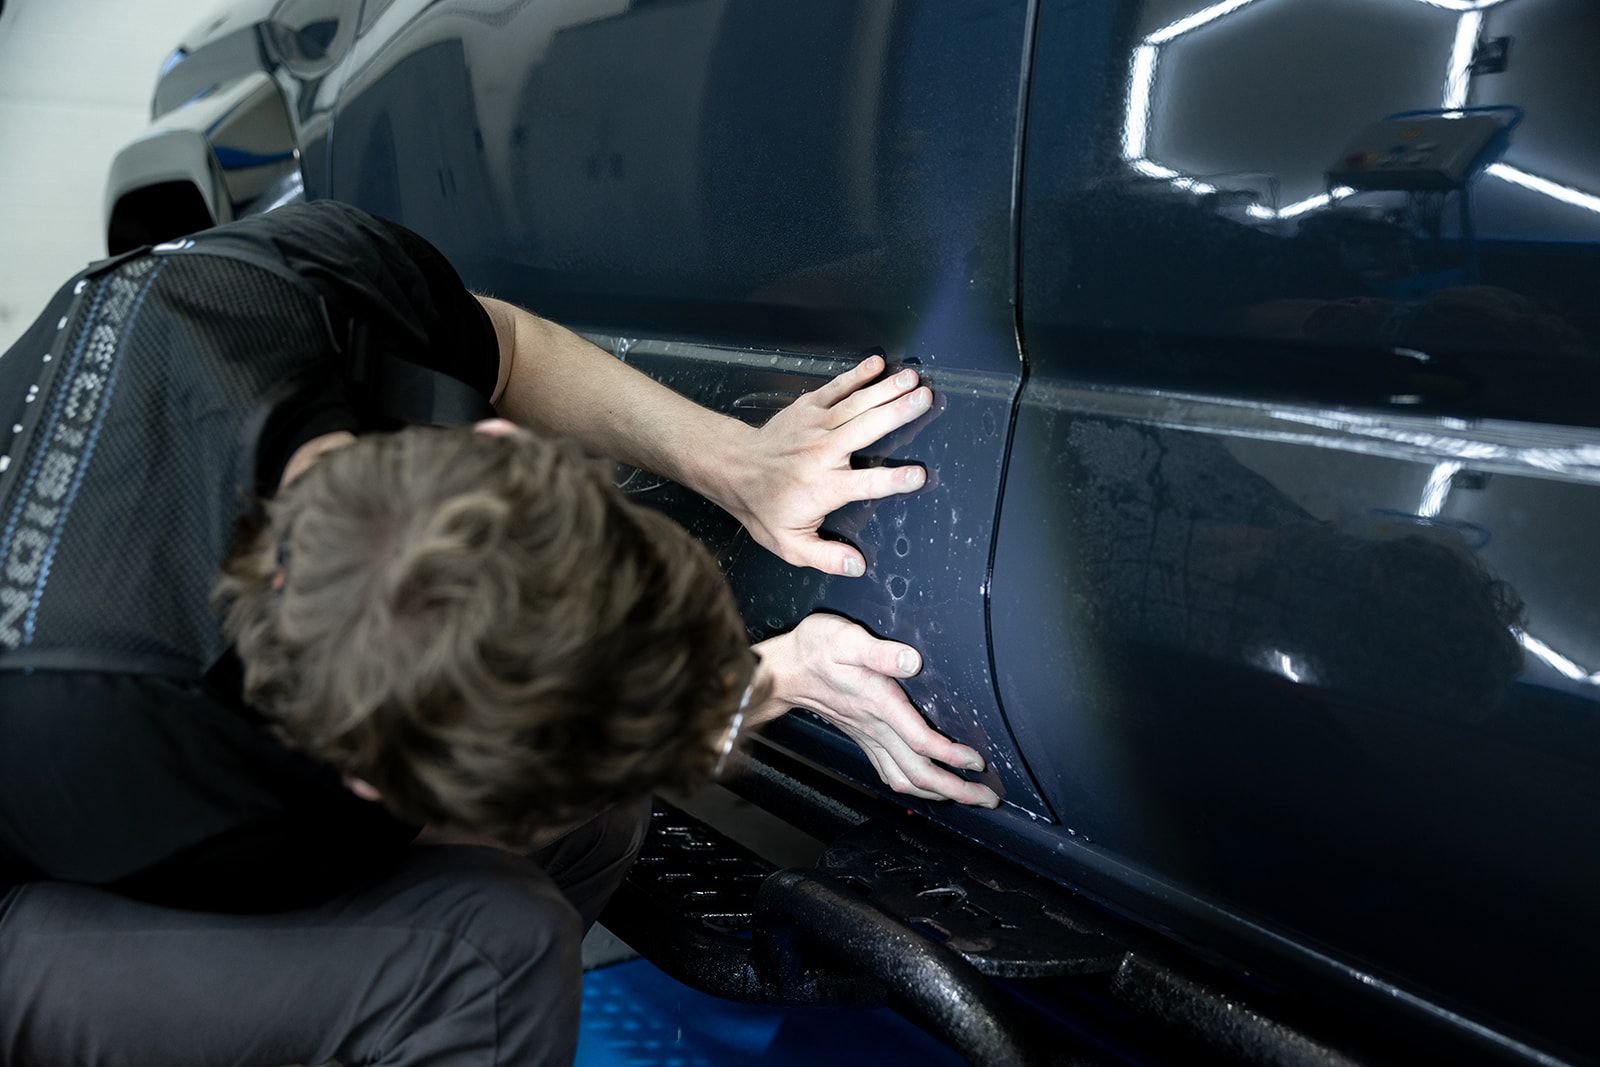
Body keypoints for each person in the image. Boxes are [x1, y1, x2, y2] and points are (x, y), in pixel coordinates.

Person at [0, 200, 998, 1066]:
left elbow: (504, 347)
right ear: (363, 780)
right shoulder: (151, 763)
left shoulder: (289, 285)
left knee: (591, 814)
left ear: (493, 442)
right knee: (485, 953)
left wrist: (737, 462)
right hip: (27, 893)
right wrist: (765, 682)